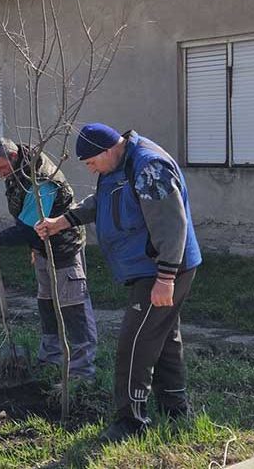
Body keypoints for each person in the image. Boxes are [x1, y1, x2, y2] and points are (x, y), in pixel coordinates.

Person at [35, 123, 202, 443]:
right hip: (149, 266)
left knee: (134, 341)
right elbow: (104, 200)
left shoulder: (149, 168)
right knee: (163, 336)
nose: (89, 168)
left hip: (162, 267)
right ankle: (175, 408)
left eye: (91, 162)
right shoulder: (118, 165)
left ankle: (131, 420)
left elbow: (172, 225)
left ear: (108, 149)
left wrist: (166, 277)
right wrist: (62, 222)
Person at [0, 137, 98, 382]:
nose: (0, 175)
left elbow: (29, 229)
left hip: (63, 248)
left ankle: (82, 372)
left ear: (14, 157)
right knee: (46, 304)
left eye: (2, 169)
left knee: (73, 307)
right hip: (41, 247)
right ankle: (51, 358)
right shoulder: (12, 160)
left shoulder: (41, 180)